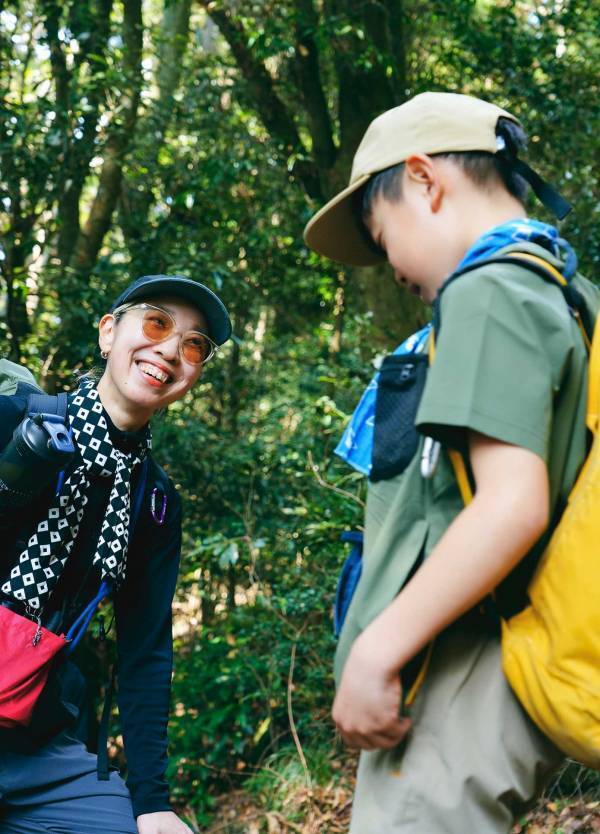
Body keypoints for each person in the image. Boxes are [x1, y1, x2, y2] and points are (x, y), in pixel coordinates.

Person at [303, 92, 599, 833]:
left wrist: (378, 650)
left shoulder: (488, 290)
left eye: (382, 236)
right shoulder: (566, 293)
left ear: (424, 180)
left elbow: (512, 502)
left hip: (465, 668)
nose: (390, 268)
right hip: (520, 649)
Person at [0, 274, 231, 834]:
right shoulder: (15, 419)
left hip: (34, 737)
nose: (169, 350)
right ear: (108, 333)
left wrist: (153, 802)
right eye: (156, 323)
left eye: (193, 345)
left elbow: (145, 650)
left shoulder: (154, 501)